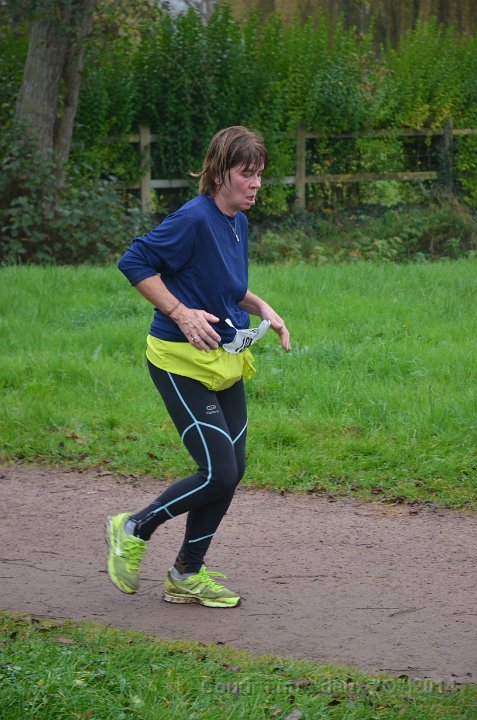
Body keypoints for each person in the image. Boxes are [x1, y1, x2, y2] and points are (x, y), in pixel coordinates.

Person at [107, 126, 291, 608]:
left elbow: (226, 285)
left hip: (223, 360)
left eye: (260, 174)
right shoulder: (192, 218)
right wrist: (180, 312)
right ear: (220, 172)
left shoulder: (238, 222)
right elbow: (134, 261)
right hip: (179, 361)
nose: (256, 184)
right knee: (218, 471)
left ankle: (186, 574)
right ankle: (134, 527)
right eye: (247, 174)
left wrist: (262, 307)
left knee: (233, 469)